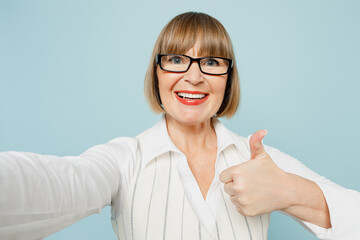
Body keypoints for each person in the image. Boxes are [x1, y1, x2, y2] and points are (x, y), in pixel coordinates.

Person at [0, 11, 359, 240]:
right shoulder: (126, 158)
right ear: (156, 73)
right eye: (175, 59)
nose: (194, 76)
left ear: (228, 78)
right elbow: (59, 182)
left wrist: (289, 190)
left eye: (212, 62)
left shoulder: (260, 162)